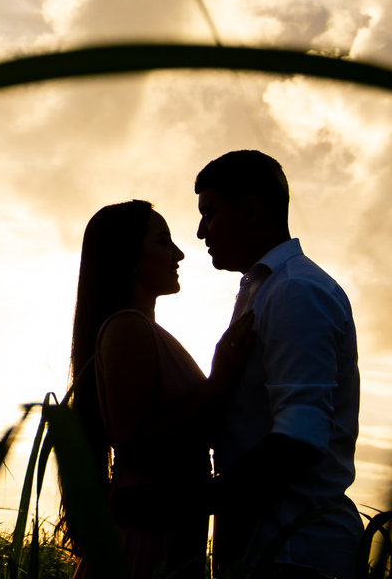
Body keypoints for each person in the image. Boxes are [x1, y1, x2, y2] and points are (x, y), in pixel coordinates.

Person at [63, 200, 255, 579]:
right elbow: (133, 443)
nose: (179, 253)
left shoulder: (142, 332)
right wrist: (217, 384)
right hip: (144, 534)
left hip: (165, 530)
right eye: (163, 241)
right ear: (130, 255)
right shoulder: (127, 329)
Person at [195, 151, 362, 579]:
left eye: (210, 214)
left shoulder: (295, 291)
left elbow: (300, 438)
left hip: (295, 556)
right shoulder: (263, 288)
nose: (200, 232)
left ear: (251, 211)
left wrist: (190, 503)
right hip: (268, 552)